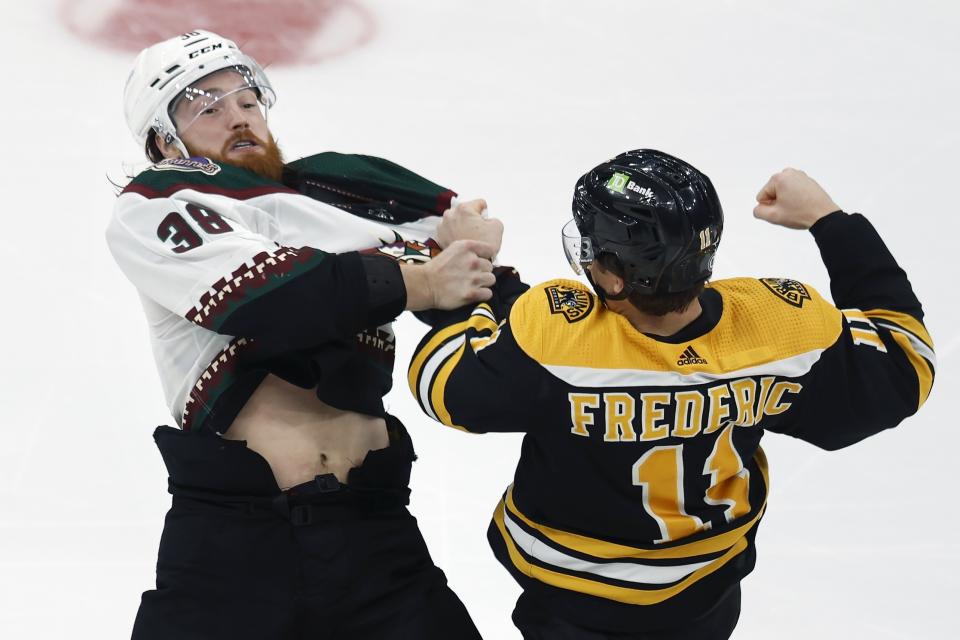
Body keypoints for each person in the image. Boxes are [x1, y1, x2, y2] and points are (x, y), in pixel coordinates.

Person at [408, 149, 936, 639]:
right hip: (707, 596)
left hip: (572, 604)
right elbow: (906, 361)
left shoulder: (551, 338)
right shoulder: (778, 330)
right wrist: (830, 221)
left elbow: (446, 383)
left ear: (614, 280)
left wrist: (465, 265)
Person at [106, 29, 503, 639]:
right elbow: (262, 296)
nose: (238, 117)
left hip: (377, 535)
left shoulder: (334, 206)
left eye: (246, 100)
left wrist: (474, 258)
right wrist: (424, 281)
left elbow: (481, 309)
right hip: (233, 547)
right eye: (205, 107)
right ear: (165, 139)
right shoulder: (157, 203)